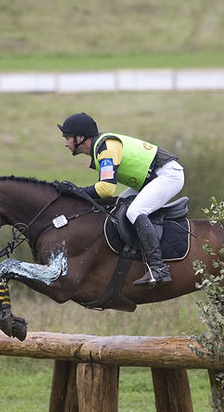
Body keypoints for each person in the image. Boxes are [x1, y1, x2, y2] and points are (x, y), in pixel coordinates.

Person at [58, 112, 184, 286]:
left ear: (80, 138)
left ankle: (158, 267)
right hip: (151, 178)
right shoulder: (100, 149)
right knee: (117, 209)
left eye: (67, 138)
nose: (65, 144)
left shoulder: (106, 148)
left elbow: (106, 189)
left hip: (168, 175)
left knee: (135, 211)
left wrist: (76, 191)